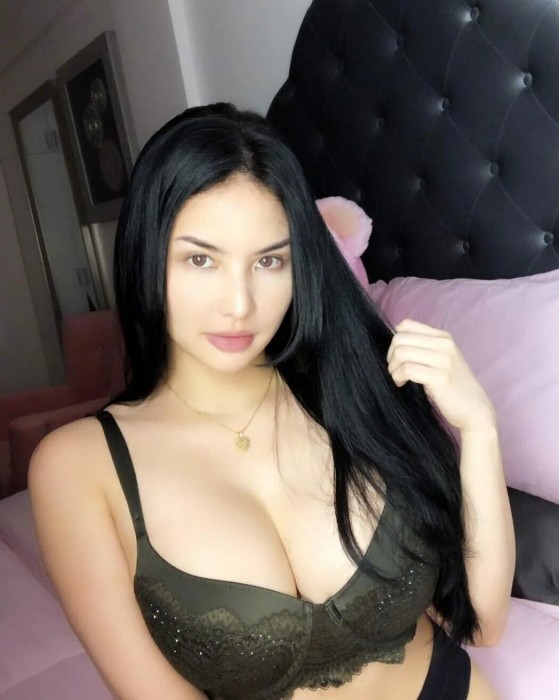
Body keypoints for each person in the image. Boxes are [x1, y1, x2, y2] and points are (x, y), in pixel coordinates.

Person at [29, 103, 515, 700]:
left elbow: (483, 624)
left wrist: (480, 428)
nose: (240, 304)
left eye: (269, 261)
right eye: (201, 259)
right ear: (146, 256)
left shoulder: (350, 391)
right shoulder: (79, 466)